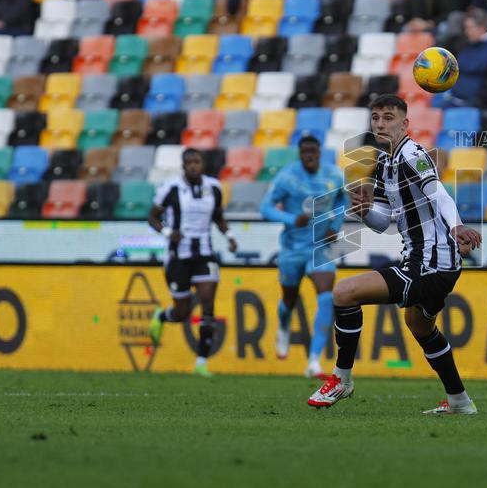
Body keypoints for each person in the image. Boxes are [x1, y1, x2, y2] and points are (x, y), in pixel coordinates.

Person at [307, 94, 483, 414]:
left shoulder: (412, 155)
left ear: (405, 124)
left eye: (388, 117)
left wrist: (457, 225)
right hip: (425, 260)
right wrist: (364, 212)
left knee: (344, 292)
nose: (380, 123)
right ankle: (460, 401)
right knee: (419, 325)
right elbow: (381, 221)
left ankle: (342, 379)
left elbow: (439, 194)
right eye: (375, 117)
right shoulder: (385, 163)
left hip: (432, 262)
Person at [259, 135, 345, 378]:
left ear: (319, 152)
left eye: (313, 151)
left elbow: (343, 197)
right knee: (289, 298)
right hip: (292, 249)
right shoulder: (287, 177)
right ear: (299, 154)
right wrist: (291, 219)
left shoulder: (333, 174)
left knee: (326, 297)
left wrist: (335, 226)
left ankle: (313, 362)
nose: (309, 155)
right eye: (304, 151)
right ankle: (284, 324)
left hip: (320, 248)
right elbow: (265, 208)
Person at [148, 148, 238, 377]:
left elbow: (218, 216)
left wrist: (229, 236)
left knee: (208, 302)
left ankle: (201, 362)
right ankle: (162, 316)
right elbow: (152, 217)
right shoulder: (171, 188)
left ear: (203, 164)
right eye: (189, 162)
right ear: (183, 166)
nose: (193, 166)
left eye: (197, 161)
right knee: (183, 312)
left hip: (205, 254)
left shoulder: (214, 187)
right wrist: (168, 233)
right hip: (178, 256)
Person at [443, 9, 487, 107]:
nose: (466, 31)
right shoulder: (469, 44)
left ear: (482, 28)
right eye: (465, 28)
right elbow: (460, 63)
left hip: (476, 101)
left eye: (470, 27)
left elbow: (476, 65)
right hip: (455, 97)